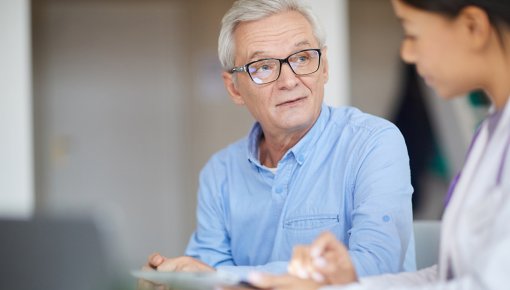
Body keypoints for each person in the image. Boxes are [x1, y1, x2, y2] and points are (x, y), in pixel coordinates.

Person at [244, 0, 510, 289]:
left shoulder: (373, 141)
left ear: (472, 27)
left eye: (412, 34)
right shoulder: (490, 133)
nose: (407, 53)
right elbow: (450, 276)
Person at [144, 0, 415, 279]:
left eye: (302, 58)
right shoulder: (220, 172)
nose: (289, 81)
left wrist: (224, 276)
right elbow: (205, 278)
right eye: (263, 66)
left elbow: (377, 265)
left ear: (324, 67)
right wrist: (174, 278)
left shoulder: (373, 143)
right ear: (234, 88)